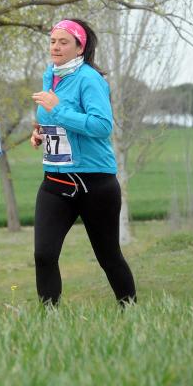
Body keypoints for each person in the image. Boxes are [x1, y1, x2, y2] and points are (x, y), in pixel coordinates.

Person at [30, 18, 136, 306]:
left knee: (108, 256)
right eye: (53, 41)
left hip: (94, 181)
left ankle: (131, 313)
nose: (56, 46)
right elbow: (53, 118)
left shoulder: (90, 79)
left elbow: (102, 126)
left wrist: (59, 109)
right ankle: (50, 321)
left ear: (80, 48)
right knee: (44, 255)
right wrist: (40, 131)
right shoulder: (50, 75)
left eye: (63, 42)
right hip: (55, 179)